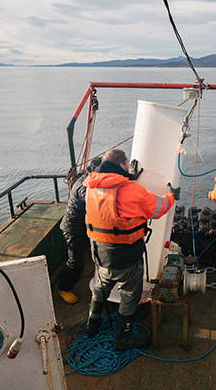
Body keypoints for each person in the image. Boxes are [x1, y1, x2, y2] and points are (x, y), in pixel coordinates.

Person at [83, 148, 179, 349]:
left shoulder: (91, 186)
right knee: (129, 294)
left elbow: (111, 206)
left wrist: (129, 178)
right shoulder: (130, 191)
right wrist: (172, 195)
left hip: (99, 252)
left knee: (101, 288)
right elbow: (158, 207)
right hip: (125, 255)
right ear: (121, 165)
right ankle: (122, 337)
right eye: (127, 164)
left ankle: (91, 325)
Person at [57, 156, 102, 304]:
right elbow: (95, 199)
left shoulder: (91, 178)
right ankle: (63, 288)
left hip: (85, 227)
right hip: (73, 229)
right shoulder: (84, 186)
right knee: (75, 262)